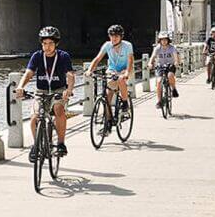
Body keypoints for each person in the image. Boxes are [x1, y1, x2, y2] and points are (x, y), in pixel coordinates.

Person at [15, 26, 75, 161]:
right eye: (44, 43)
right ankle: (36, 145)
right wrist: (20, 86)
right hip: (41, 91)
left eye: (50, 44)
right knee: (34, 117)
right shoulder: (37, 56)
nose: (47, 47)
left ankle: (60, 144)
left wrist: (69, 89)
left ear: (56, 44)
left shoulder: (63, 56)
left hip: (58, 90)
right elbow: (29, 73)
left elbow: (70, 74)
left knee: (58, 109)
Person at [85, 24, 134, 136]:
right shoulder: (107, 45)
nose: (114, 38)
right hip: (112, 70)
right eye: (111, 36)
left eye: (116, 36)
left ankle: (125, 103)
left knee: (121, 79)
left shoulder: (127, 45)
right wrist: (89, 70)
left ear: (121, 37)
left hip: (125, 69)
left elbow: (130, 60)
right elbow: (97, 59)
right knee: (107, 96)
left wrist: (127, 72)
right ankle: (108, 123)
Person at [149, 32, 181, 109]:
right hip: (160, 66)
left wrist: (176, 62)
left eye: (165, 39)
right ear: (159, 40)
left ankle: (173, 89)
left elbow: (175, 56)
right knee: (159, 81)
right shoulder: (157, 48)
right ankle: (159, 101)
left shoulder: (172, 48)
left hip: (170, 65)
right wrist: (150, 63)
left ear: (168, 40)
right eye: (162, 40)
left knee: (170, 75)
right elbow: (153, 57)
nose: (164, 41)